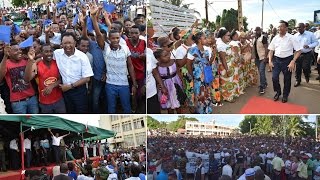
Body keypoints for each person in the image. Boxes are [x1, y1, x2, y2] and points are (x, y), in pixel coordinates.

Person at [53, 32, 93, 113]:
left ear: (75, 43)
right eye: (65, 43)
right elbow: (45, 58)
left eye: (70, 43)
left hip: (79, 91)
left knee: (81, 113)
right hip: (65, 92)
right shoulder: (57, 53)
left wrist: (70, 86)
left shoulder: (82, 57)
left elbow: (87, 78)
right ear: (61, 44)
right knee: (69, 112)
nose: (68, 45)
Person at [24, 44, 66, 113]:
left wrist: (51, 86)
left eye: (50, 51)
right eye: (46, 51)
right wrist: (30, 60)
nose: (49, 53)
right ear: (41, 53)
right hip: (45, 103)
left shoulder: (57, 63)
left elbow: (61, 79)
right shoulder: (37, 65)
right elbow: (27, 79)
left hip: (59, 100)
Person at [268, 20, 302, 103]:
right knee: (274, 77)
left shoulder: (291, 37)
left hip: (288, 60)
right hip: (276, 60)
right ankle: (278, 92)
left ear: (286, 28)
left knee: (287, 79)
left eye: (281, 26)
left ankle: (285, 95)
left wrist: (293, 61)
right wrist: (269, 61)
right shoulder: (275, 38)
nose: (279, 28)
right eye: (279, 26)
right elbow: (271, 50)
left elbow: (299, 51)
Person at [0, 43, 39, 113]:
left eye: (20, 49)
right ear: (9, 52)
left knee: (35, 121)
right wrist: (5, 56)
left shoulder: (26, 61)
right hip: (17, 102)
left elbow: (29, 78)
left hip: (32, 98)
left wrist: (31, 60)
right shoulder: (6, 63)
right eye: (16, 50)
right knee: (21, 123)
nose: (19, 51)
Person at [187, 31, 216, 113]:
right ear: (199, 40)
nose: (206, 40)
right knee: (199, 95)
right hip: (198, 78)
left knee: (206, 94)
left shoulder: (206, 50)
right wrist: (193, 75)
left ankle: (207, 110)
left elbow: (208, 64)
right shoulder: (192, 50)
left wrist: (213, 55)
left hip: (206, 78)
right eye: (205, 38)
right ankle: (200, 111)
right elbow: (188, 64)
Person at [154, 48, 182, 114]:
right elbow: (157, 77)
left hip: (176, 84)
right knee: (168, 104)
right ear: (158, 59)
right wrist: (160, 86)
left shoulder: (174, 61)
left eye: (168, 54)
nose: (168, 56)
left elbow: (178, 72)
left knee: (178, 101)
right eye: (165, 56)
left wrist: (182, 82)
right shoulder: (157, 66)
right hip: (165, 86)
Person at [125, 25, 146, 113]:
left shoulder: (143, 43)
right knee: (130, 94)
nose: (134, 35)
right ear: (129, 33)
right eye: (132, 33)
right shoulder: (125, 43)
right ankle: (132, 109)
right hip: (128, 74)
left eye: (136, 33)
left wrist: (144, 57)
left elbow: (147, 59)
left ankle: (138, 108)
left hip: (140, 73)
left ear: (139, 33)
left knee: (139, 94)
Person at [217, 29, 239, 103]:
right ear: (223, 36)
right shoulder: (220, 46)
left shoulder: (226, 44)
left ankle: (231, 95)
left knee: (230, 81)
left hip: (230, 66)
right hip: (225, 67)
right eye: (228, 35)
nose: (230, 36)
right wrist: (227, 69)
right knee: (226, 82)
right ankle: (227, 97)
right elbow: (223, 59)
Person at [293, 23, 318, 87]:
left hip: (307, 54)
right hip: (297, 54)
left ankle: (307, 76)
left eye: (300, 27)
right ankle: (298, 80)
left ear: (304, 28)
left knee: (305, 68)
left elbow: (316, 42)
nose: (298, 29)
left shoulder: (310, 34)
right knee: (297, 68)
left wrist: (309, 46)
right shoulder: (295, 36)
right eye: (297, 27)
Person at [253, 27, 268, 94]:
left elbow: (266, 48)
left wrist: (265, 57)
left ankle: (262, 87)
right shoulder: (255, 38)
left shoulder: (263, 38)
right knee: (260, 71)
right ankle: (265, 82)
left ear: (260, 31)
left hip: (262, 58)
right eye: (256, 31)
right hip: (257, 58)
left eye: (258, 30)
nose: (256, 32)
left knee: (261, 71)